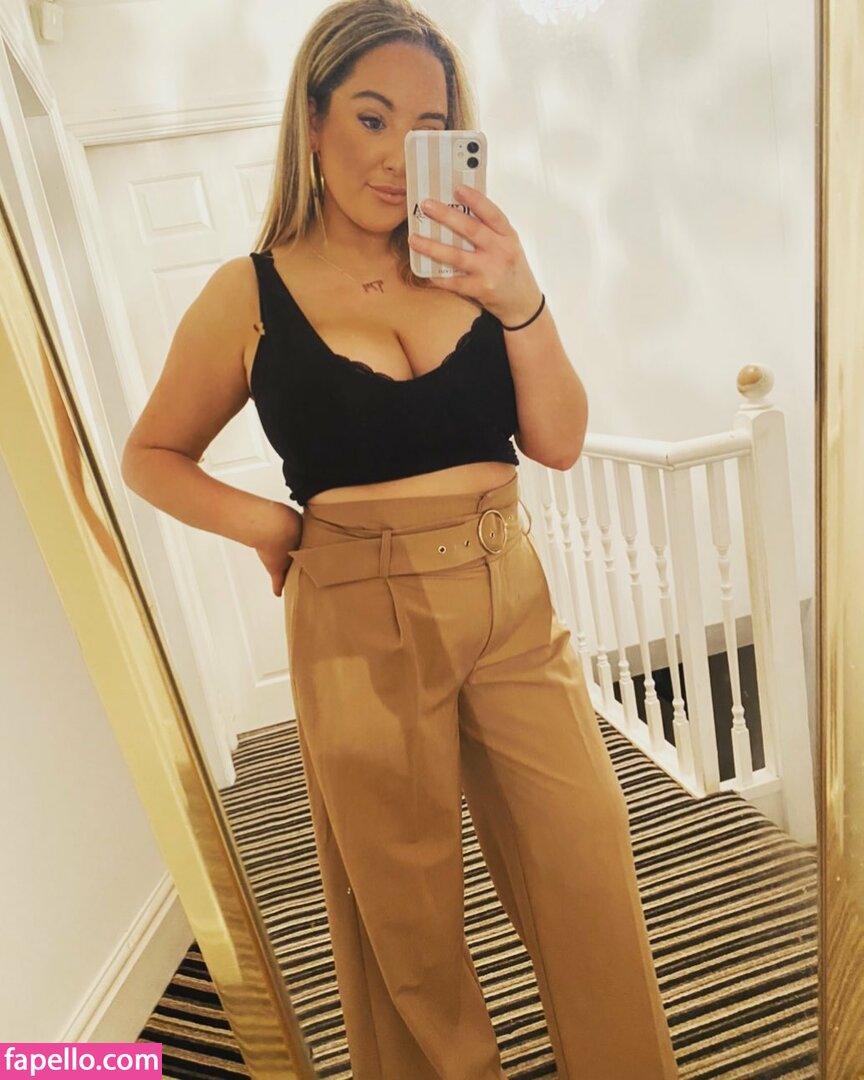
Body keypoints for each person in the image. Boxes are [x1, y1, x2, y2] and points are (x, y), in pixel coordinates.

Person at [121, 1, 679, 1077]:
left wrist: (520, 297)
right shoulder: (248, 292)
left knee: (587, 866)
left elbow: (558, 442)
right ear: (314, 120)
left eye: (428, 128)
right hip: (353, 617)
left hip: (509, 598)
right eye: (371, 118)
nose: (394, 156)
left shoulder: (476, 266)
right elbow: (152, 453)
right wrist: (268, 524)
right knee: (405, 919)